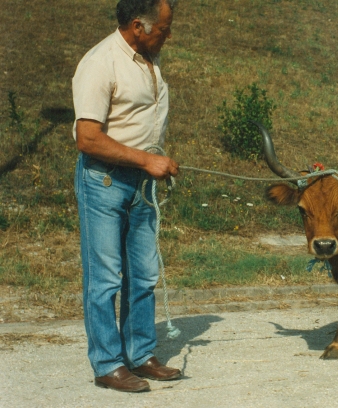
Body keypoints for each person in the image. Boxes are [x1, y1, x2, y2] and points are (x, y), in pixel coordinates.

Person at [72, 0, 181, 393]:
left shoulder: (146, 57)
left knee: (143, 275)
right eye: (164, 29)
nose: (168, 35)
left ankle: (140, 353)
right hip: (104, 183)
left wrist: (157, 162)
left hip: (142, 186)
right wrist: (145, 160)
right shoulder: (101, 63)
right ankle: (107, 364)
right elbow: (88, 138)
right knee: (104, 279)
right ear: (138, 25)